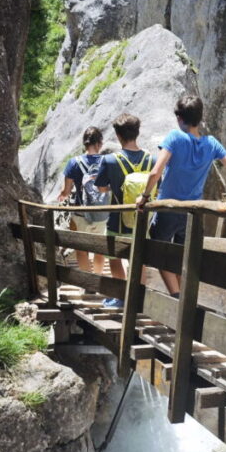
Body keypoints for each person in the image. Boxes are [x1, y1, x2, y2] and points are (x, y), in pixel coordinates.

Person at [135, 96, 226, 294]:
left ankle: (177, 297)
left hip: (167, 209)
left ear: (179, 118)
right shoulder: (211, 143)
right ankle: (184, 300)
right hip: (192, 213)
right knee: (182, 256)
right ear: (200, 117)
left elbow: (155, 172)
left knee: (158, 250)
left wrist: (143, 197)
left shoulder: (175, 138)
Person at [95, 113, 154, 308]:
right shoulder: (151, 160)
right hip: (142, 220)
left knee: (114, 257)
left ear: (118, 136)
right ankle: (138, 298)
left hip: (117, 220)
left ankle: (121, 298)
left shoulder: (110, 161)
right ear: (137, 132)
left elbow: (101, 188)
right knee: (140, 260)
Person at [58, 126, 107, 275]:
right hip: (102, 214)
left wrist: (62, 195)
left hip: (80, 213)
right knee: (99, 250)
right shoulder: (107, 161)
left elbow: (65, 192)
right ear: (99, 143)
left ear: (84, 143)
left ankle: (87, 282)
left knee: (81, 249)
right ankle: (98, 279)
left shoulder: (73, 163)